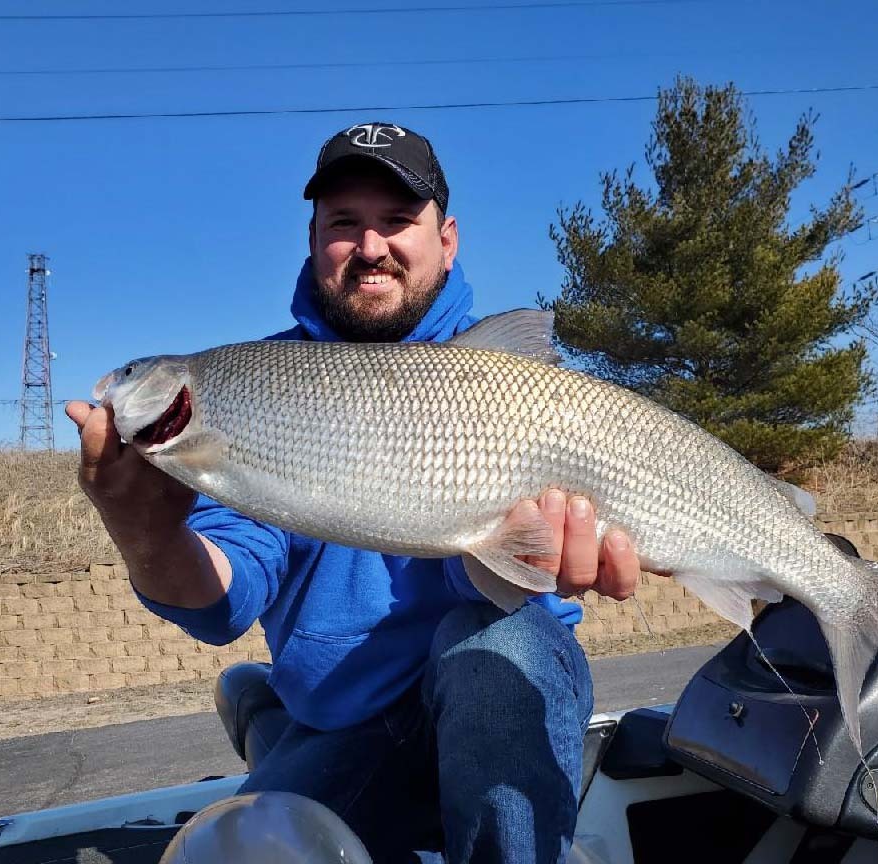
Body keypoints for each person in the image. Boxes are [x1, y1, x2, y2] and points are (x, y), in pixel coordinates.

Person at [67, 121, 642, 863]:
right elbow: (223, 603)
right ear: (313, 240)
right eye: (344, 223)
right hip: (346, 721)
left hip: (507, 693)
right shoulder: (251, 386)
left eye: (397, 219)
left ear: (448, 240)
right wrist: (144, 531)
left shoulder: (520, 385)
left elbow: (519, 584)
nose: (371, 247)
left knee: (500, 641)